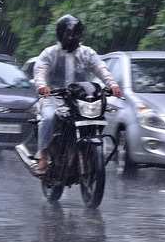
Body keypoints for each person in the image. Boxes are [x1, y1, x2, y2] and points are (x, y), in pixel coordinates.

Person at [33, 14, 122, 173]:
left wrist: (112, 85)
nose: (73, 37)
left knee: (99, 115)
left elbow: (100, 68)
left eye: (76, 34)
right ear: (61, 34)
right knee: (48, 117)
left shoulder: (86, 53)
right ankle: (44, 155)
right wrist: (42, 86)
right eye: (69, 34)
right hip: (55, 97)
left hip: (79, 99)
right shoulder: (50, 53)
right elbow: (40, 70)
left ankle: (87, 150)